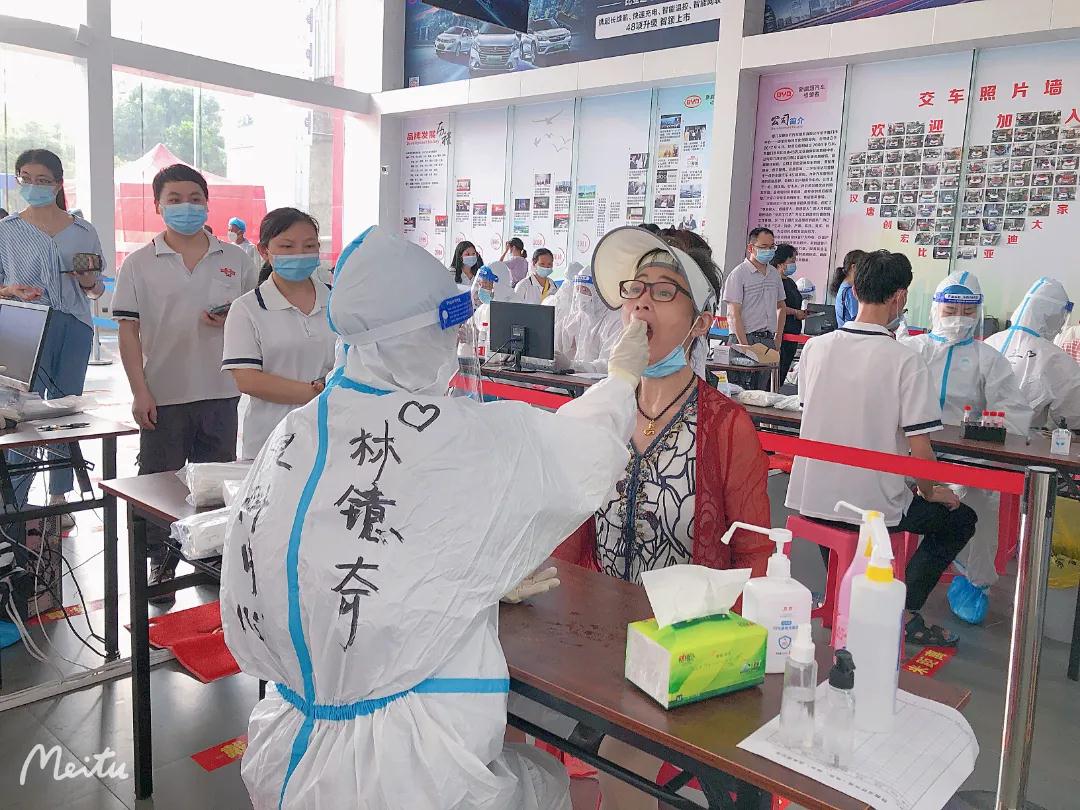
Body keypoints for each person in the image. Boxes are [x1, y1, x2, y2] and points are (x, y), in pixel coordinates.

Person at [220, 225, 650, 810]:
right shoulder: (449, 432)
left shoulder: (300, 428)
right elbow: (576, 456)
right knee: (546, 785)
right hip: (414, 760)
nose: (453, 343)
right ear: (414, 336)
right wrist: (620, 383)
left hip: (289, 744)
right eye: (445, 327)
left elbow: (327, 557)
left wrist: (475, 570)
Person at [553, 227, 771, 809]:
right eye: (635, 288)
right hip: (599, 643)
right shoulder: (601, 412)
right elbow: (568, 535)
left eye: (666, 290)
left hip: (687, 651)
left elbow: (756, 555)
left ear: (701, 322)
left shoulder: (725, 427)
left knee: (624, 770)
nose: (642, 302)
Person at [787, 250, 977, 647]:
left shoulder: (816, 348)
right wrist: (932, 491)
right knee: (961, 520)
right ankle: (902, 611)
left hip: (812, 496)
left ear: (854, 290)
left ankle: (844, 595)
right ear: (900, 297)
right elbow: (920, 448)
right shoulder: (905, 360)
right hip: (871, 507)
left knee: (845, 519)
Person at [113, 163, 257, 598]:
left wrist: (231, 319)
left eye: (195, 198)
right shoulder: (139, 263)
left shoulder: (236, 259)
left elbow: (252, 317)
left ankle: (211, 560)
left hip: (221, 392)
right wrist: (140, 390)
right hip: (163, 393)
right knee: (161, 486)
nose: (186, 207)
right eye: (174, 199)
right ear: (158, 206)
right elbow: (128, 331)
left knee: (214, 485)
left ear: (207, 203)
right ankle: (161, 565)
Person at [899, 271, 1032, 624]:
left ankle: (973, 582)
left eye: (968, 312)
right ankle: (898, 586)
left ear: (979, 313)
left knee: (978, 507)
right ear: (935, 309)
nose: (958, 319)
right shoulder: (912, 350)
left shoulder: (989, 359)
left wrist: (984, 427)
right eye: (950, 310)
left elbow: (1014, 414)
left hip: (966, 461)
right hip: (908, 455)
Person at [0, 149, 106, 521]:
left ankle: (61, 499)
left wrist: (89, 281)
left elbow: (96, 290)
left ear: (58, 184)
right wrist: (10, 290)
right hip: (24, 328)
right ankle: (16, 500)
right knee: (21, 410)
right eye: (26, 178)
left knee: (65, 410)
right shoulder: (7, 231)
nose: (34, 186)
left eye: (43, 180)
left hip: (74, 326)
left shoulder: (83, 230)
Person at [222, 208, 336, 461]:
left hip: (335, 432)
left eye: (309, 246)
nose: (300, 254)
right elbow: (248, 380)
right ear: (264, 251)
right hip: (273, 439)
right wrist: (320, 393)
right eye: (287, 246)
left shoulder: (338, 301)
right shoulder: (247, 308)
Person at [985, 277, 1080, 430]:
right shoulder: (1054, 357)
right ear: (1055, 316)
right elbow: (1073, 417)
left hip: (971, 436)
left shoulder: (989, 342)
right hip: (1023, 439)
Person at [722, 227, 786, 390]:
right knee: (740, 391)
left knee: (761, 391)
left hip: (767, 340)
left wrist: (778, 338)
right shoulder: (739, 274)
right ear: (751, 248)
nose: (769, 251)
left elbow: (781, 307)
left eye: (772, 247)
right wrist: (745, 346)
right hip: (744, 339)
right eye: (764, 247)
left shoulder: (774, 274)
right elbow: (733, 313)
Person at [552, 271, 622, 373]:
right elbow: (555, 344)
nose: (580, 295)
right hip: (575, 378)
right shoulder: (577, 318)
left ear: (599, 292)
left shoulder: (615, 321)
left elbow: (608, 365)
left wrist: (572, 365)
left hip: (600, 381)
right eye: (578, 289)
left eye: (585, 290)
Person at [772, 244, 807, 387]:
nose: (794, 264)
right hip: (781, 333)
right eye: (791, 260)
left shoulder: (791, 282)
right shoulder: (774, 281)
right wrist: (794, 312)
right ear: (781, 262)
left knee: (782, 374)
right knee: (773, 375)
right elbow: (776, 307)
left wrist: (801, 312)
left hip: (793, 334)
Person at [830, 249, 865, 329]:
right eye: (864, 267)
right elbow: (858, 321)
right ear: (854, 267)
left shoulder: (843, 287)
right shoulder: (850, 291)